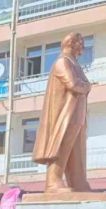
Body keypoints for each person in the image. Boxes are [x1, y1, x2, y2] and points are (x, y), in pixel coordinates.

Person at [33, 32, 93, 193]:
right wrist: (87, 86)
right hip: (65, 114)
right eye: (80, 43)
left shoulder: (75, 64)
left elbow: (83, 84)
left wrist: (85, 86)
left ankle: (78, 182)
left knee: (76, 150)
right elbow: (74, 84)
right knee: (61, 146)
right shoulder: (62, 62)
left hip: (77, 113)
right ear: (71, 44)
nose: (83, 47)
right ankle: (53, 182)